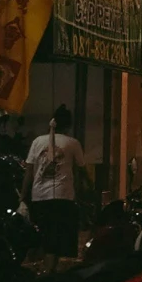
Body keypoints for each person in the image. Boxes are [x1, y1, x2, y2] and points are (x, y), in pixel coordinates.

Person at [23, 106, 87, 262]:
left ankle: (43, 269)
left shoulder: (37, 142)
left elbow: (29, 172)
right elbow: (82, 170)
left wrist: (23, 197)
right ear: (69, 125)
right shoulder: (73, 143)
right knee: (62, 240)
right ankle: (54, 270)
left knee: (44, 239)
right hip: (63, 197)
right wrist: (89, 187)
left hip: (39, 198)